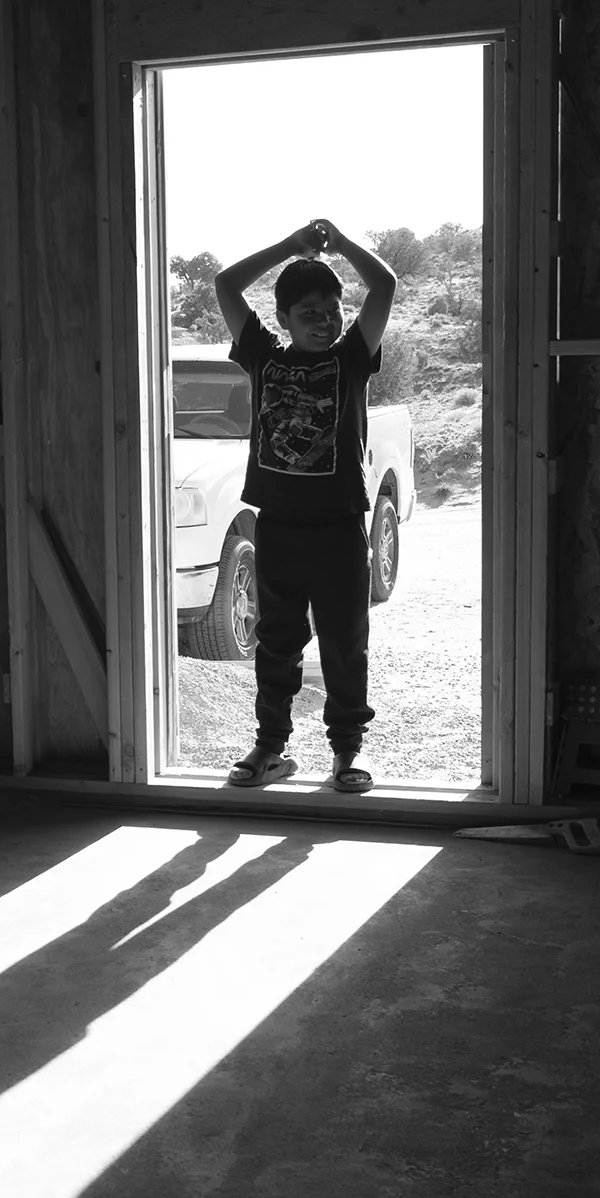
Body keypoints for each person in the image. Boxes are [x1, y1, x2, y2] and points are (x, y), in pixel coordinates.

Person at [212, 219, 397, 793]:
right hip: (281, 527)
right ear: (284, 319)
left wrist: (340, 246)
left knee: (345, 642)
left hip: (341, 527)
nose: (324, 321)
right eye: (308, 313)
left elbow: (384, 286)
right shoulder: (264, 356)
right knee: (277, 642)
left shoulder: (351, 359)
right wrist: (288, 248)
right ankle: (270, 749)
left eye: (332, 310)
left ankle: (345, 753)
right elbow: (225, 284)